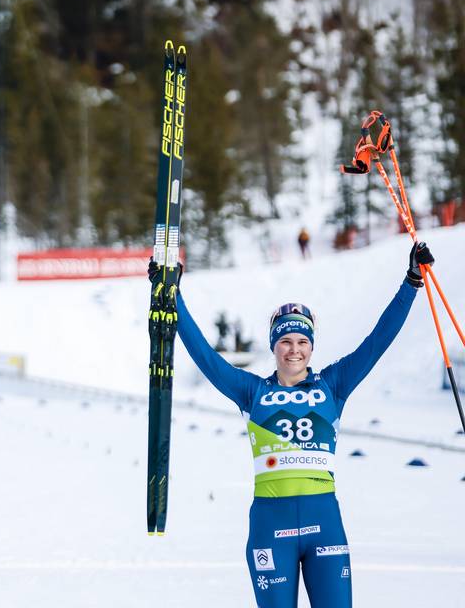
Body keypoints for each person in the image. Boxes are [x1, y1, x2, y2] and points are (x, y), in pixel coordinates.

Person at [151, 240, 433, 607]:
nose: (294, 349)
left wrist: (411, 281)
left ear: (312, 347)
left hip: (325, 526)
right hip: (271, 528)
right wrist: (173, 296)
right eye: (285, 340)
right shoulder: (251, 391)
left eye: (302, 340)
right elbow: (206, 356)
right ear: (274, 346)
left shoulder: (334, 384)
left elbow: (378, 341)